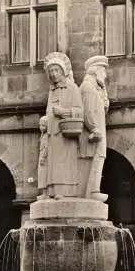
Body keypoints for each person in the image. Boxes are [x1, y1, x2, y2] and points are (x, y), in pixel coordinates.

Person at [42, 52, 84, 199]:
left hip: (66, 133)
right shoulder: (51, 91)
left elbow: (79, 111)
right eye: (51, 71)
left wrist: (64, 112)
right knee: (53, 164)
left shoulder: (72, 88)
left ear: (62, 71)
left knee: (64, 164)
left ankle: (66, 191)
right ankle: (52, 191)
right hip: (52, 133)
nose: (53, 74)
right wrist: (45, 120)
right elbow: (48, 110)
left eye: (56, 71)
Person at [79, 55, 110, 202]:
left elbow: (101, 110)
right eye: (103, 70)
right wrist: (93, 128)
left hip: (98, 133)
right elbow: (87, 111)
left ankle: (94, 190)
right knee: (93, 162)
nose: (105, 74)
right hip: (93, 134)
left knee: (99, 160)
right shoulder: (87, 88)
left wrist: (104, 95)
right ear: (96, 71)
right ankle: (91, 192)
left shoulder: (95, 89)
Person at [37, 116, 49, 200]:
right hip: (41, 156)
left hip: (44, 158)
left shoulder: (47, 136)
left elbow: (46, 147)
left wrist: (43, 157)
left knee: (44, 175)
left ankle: (46, 193)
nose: (41, 127)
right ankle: (44, 192)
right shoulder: (43, 136)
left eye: (43, 125)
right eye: (40, 125)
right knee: (41, 175)